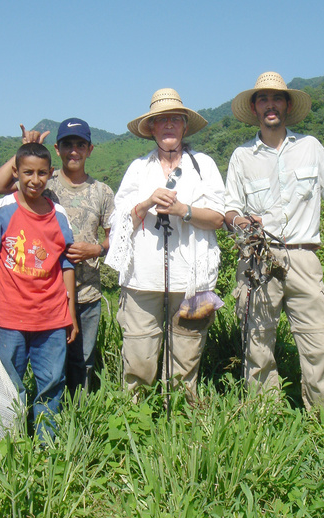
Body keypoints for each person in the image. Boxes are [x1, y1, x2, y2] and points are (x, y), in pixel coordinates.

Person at [224, 71, 324, 418]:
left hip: (303, 256)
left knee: (318, 344)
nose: (270, 105)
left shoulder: (310, 147)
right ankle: (264, 420)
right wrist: (242, 221)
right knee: (257, 344)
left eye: (277, 99)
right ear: (255, 108)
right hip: (257, 257)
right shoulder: (242, 156)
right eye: (263, 99)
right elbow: (229, 207)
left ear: (286, 105)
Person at [105, 88, 225, 402]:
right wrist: (145, 203)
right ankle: (137, 417)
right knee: (139, 351)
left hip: (195, 280)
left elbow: (217, 218)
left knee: (188, 351)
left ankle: (184, 419)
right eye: (162, 120)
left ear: (185, 126)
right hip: (142, 276)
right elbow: (119, 222)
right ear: (152, 128)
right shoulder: (138, 169)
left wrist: (183, 210)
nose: (169, 125)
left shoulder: (205, 166)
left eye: (175, 119)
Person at [0, 119, 115, 395]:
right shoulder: (42, 181)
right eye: (67, 144)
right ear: (57, 149)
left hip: (87, 292)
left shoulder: (102, 191)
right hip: (45, 298)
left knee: (82, 363)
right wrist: (27, 148)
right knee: (46, 366)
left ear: (90, 149)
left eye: (80, 144)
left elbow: (116, 237)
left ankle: (75, 416)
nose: (74, 150)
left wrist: (97, 249)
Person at [0, 143, 78, 439]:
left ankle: (47, 446)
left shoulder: (58, 214)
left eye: (42, 173)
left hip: (52, 318)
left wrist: (71, 313)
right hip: (10, 319)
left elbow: (66, 265)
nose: (35, 179)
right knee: (9, 384)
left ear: (51, 174)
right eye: (28, 172)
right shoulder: (1, 210)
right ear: (16, 172)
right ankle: (10, 442)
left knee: (51, 383)